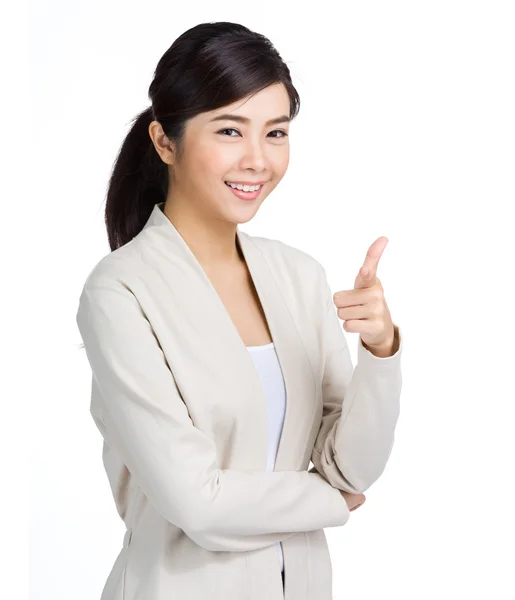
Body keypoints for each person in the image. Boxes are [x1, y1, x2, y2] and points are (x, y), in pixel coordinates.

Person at [76, 21, 402, 600]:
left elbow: (351, 468)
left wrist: (380, 350)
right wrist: (328, 503)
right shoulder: (120, 293)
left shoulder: (299, 278)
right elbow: (196, 502)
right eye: (230, 129)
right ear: (164, 142)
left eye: (275, 133)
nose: (258, 159)